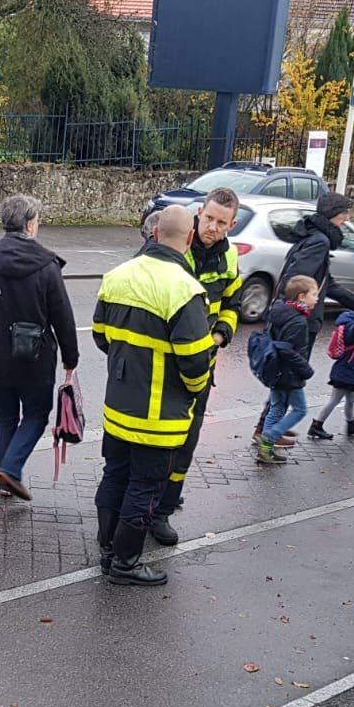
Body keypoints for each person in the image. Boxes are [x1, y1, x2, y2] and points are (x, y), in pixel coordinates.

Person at [91, 205, 213, 587]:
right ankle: (126, 564)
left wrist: (129, 362)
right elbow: (195, 364)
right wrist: (193, 395)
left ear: (154, 234)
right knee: (145, 486)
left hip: (118, 404)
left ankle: (108, 549)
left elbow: (100, 335)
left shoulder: (116, 276)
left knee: (114, 473)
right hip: (160, 413)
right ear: (189, 239)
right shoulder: (184, 289)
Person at [0, 194, 79, 502]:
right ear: (29, 225)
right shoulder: (47, 264)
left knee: (5, 417)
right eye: (37, 221)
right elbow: (62, 315)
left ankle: (6, 480)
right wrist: (70, 356)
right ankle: (10, 470)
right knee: (37, 415)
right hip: (35, 354)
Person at [147, 189, 242, 547]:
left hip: (202, 367)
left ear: (231, 225)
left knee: (186, 442)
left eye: (222, 223)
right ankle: (141, 504)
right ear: (199, 213)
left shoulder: (229, 257)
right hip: (165, 364)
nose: (213, 228)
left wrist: (221, 333)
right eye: (209, 219)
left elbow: (233, 299)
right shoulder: (174, 248)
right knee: (153, 442)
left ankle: (163, 511)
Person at [254, 190, 354, 440]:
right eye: (343, 214)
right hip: (299, 322)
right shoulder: (320, 242)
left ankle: (268, 427)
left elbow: (328, 284)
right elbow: (298, 282)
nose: (346, 219)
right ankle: (267, 432)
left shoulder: (312, 236)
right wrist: (297, 315)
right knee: (288, 378)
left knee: (285, 378)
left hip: (294, 319)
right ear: (333, 216)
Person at [255, 275, 319, 463]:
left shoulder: (279, 312)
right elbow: (287, 350)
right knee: (300, 410)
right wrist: (306, 370)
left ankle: (264, 450)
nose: (317, 298)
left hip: (275, 372)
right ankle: (269, 438)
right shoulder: (298, 321)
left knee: (276, 407)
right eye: (314, 294)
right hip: (289, 375)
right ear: (301, 296)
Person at [307, 301, 354, 440]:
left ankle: (351, 424)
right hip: (345, 371)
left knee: (351, 399)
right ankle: (316, 425)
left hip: (351, 371)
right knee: (335, 400)